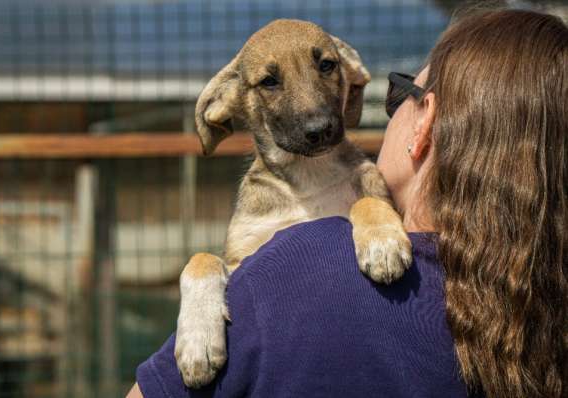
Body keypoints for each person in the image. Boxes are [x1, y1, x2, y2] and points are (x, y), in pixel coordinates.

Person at [127, 8, 567, 398]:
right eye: (271, 82)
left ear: (424, 122)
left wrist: (371, 210)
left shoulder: (297, 260)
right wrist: (202, 276)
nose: (318, 117)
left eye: (400, 98)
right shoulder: (534, 297)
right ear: (226, 103)